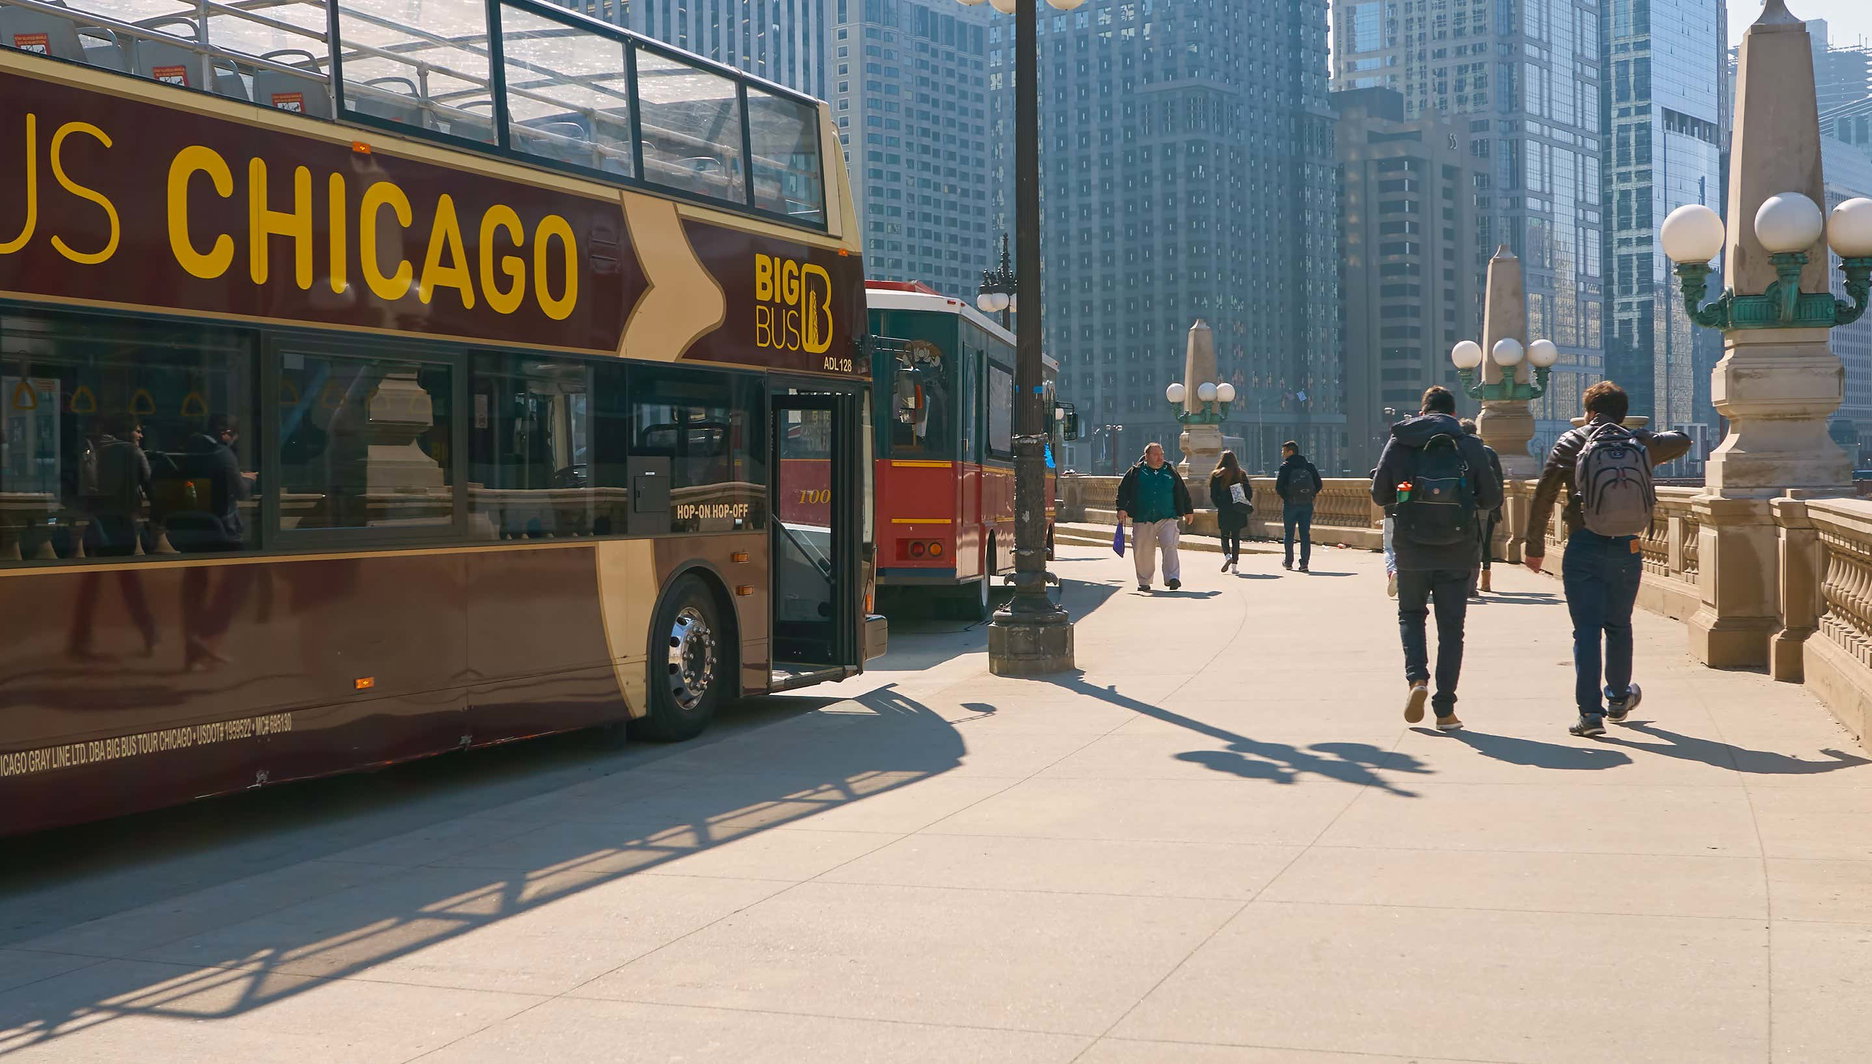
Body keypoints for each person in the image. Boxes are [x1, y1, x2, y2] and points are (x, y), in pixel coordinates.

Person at [1521, 381, 1691, 737]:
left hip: (1583, 545)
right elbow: (1682, 440)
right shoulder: (1636, 443)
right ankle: (1617, 698)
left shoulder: (1571, 443)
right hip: (1626, 546)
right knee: (1619, 625)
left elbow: (1543, 495)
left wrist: (1534, 546)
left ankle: (1589, 714)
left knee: (1586, 630)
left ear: (1588, 411)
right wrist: (1642, 435)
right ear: (1623, 413)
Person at [1370, 386, 1503, 730]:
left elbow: (1379, 492)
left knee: (1411, 615)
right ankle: (1445, 710)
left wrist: (1405, 499)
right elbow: (1491, 498)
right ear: (1454, 414)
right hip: (1458, 551)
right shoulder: (1469, 445)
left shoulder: (1402, 441)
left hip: (1412, 548)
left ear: (1422, 411)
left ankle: (1417, 680)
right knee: (1451, 630)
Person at [1115, 442, 1193, 591]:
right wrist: (1121, 509)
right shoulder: (1136, 472)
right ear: (1147, 456)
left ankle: (1173, 578)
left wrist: (1188, 510)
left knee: (1170, 545)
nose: (1160, 458)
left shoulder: (1170, 471)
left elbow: (1182, 491)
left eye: (1161, 454)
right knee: (1143, 549)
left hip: (1167, 516)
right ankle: (1144, 581)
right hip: (1142, 517)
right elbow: (1123, 491)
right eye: (1156, 455)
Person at [1460, 418, 1505, 597]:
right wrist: (1496, 506)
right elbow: (1497, 482)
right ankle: (1480, 581)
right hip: (1485, 503)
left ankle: (1464, 582)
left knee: (1463, 542)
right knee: (1481, 542)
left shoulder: (1458, 450)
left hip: (1464, 503)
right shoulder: (1488, 452)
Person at [1275, 440, 1323, 573]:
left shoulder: (1286, 467)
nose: (1282, 453)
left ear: (1290, 452)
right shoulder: (1309, 466)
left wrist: (1288, 497)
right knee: (1305, 534)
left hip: (1291, 504)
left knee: (1289, 533)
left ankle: (1289, 562)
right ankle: (1304, 564)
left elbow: (1278, 487)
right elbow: (1319, 484)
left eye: (1283, 451)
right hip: (1306, 504)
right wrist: (1310, 495)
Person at [1208, 450, 1251, 573]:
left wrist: (1220, 505)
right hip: (1237, 510)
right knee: (1236, 537)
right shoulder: (1241, 474)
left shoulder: (1216, 475)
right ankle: (1234, 566)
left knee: (1224, 535)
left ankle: (1228, 556)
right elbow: (1249, 493)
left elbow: (1213, 495)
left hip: (1224, 509)